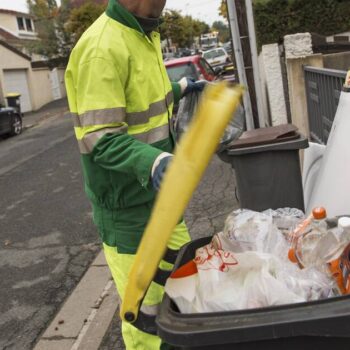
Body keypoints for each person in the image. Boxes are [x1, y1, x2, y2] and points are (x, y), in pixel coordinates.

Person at [65, 1, 204, 349]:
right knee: (149, 324)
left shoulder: (144, 32)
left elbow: (143, 99)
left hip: (163, 201)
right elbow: (100, 136)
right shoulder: (101, 48)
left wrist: (181, 87)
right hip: (129, 214)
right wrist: (153, 163)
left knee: (186, 300)